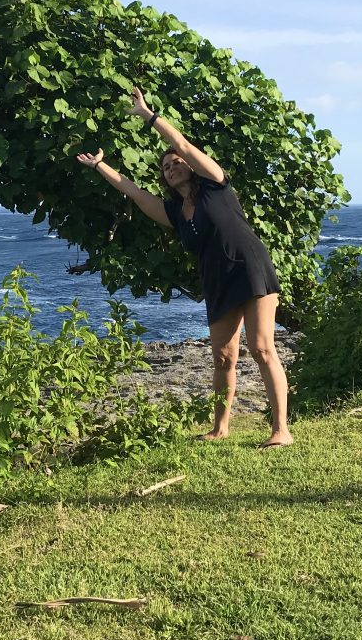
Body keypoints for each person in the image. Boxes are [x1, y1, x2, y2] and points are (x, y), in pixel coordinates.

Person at [76, 87, 293, 448]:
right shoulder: (174, 214)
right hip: (217, 279)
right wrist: (100, 166)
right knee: (223, 357)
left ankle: (280, 430)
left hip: (249, 267)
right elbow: (134, 192)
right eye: (165, 167)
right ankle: (221, 427)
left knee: (261, 347)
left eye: (176, 162)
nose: (172, 166)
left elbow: (185, 144)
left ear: (189, 166)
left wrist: (148, 116)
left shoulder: (215, 185)